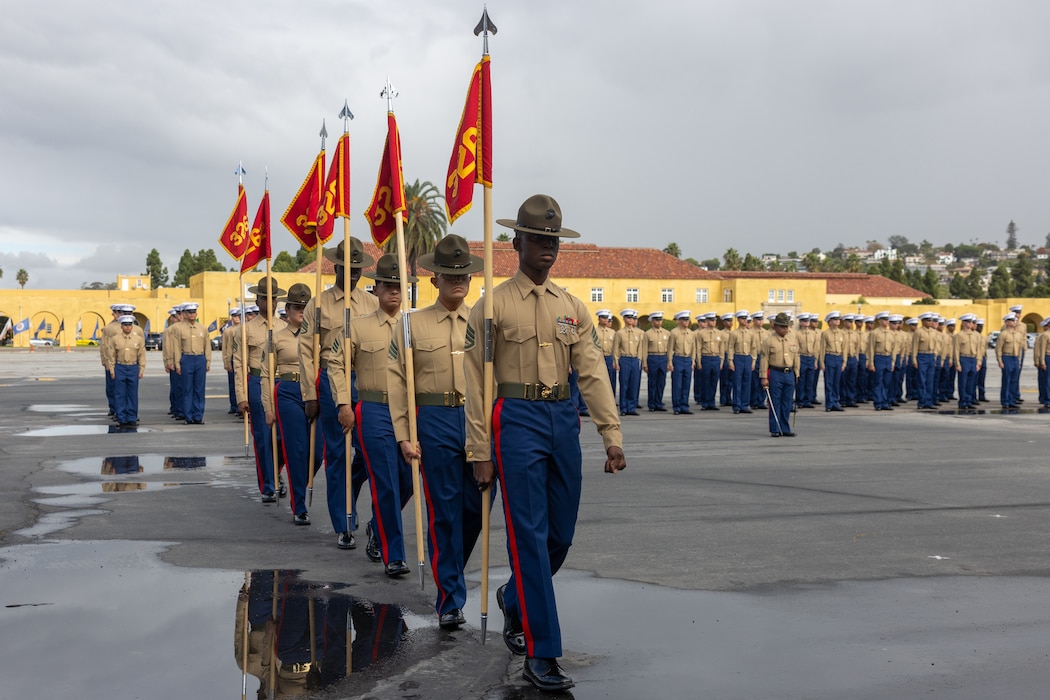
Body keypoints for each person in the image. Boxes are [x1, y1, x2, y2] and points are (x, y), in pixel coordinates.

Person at [466, 194, 625, 692]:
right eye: (538, 239)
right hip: (514, 419)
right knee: (529, 538)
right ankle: (542, 650)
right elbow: (475, 382)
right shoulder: (491, 306)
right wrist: (479, 451)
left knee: (559, 536)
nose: (547, 248)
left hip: (562, 419)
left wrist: (611, 433)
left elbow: (593, 371)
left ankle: (516, 599)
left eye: (554, 240)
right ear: (517, 242)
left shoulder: (572, 308)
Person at [388, 234, 490, 629]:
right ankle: (449, 597)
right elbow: (397, 382)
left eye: (463, 274)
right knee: (444, 511)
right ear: (435, 280)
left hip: (476, 418)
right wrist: (404, 434)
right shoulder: (412, 325)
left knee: (476, 509)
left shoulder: (483, 320)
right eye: (449, 275)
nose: (457, 281)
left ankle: (450, 568)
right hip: (434, 420)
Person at [328, 254, 414, 577]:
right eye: (388, 286)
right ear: (375, 288)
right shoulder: (358, 326)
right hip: (374, 408)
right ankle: (394, 554)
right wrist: (343, 402)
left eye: (399, 286)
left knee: (406, 481)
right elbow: (336, 363)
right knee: (386, 482)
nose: (394, 292)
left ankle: (377, 527)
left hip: (407, 409)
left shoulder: (411, 326)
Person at [299, 238, 378, 550]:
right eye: (348, 267)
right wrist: (310, 394)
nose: (354, 273)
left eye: (358, 268)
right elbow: (306, 351)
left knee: (368, 453)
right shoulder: (317, 305)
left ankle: (354, 493)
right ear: (335, 266)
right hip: (331, 381)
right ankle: (344, 523)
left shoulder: (371, 304)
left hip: (366, 381)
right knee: (338, 455)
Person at [261, 283, 315, 524]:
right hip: (289, 391)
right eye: (296, 307)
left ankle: (301, 479)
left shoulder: (317, 335)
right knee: (297, 449)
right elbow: (265, 373)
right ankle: (300, 505)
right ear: (287, 309)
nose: (301, 311)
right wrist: (268, 408)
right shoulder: (277, 336)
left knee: (318, 452)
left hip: (314, 391)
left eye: (306, 306)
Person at [234, 278, 285, 503]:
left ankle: (277, 472)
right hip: (256, 382)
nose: (270, 302)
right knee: (264, 438)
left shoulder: (285, 326)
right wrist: (241, 396)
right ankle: (267, 485)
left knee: (283, 438)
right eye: (265, 298)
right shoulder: (246, 330)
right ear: (258, 300)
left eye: (273, 298)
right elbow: (238, 364)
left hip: (281, 384)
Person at [759, 313, 799, 437]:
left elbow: (796, 357)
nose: (785, 329)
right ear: (775, 326)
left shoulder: (792, 339)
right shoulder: (768, 341)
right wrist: (764, 377)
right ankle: (775, 428)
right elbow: (764, 359)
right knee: (775, 401)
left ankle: (785, 427)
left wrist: (797, 373)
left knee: (787, 402)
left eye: (786, 327)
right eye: (782, 327)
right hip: (776, 373)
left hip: (789, 373)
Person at [103, 314, 146, 429]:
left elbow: (141, 355)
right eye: (125, 325)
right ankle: (121, 418)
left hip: (133, 367)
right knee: (120, 394)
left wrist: (141, 369)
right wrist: (112, 369)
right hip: (120, 367)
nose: (127, 327)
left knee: (132, 394)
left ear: (132, 326)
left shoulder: (138, 339)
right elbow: (111, 356)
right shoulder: (115, 339)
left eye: (129, 325)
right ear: (121, 326)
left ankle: (132, 418)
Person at [171, 301, 209, 424]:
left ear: (196, 314)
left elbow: (207, 346)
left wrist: (207, 361)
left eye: (193, 312)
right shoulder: (180, 329)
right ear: (185, 314)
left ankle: (198, 416)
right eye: (189, 312)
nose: (192, 314)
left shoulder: (202, 328)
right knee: (187, 389)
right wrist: (177, 364)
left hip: (199, 359)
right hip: (186, 358)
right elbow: (177, 348)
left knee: (199, 389)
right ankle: (188, 416)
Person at [612, 309, 643, 415]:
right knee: (624, 384)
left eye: (632, 318)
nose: (630, 320)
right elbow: (616, 348)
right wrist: (616, 361)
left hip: (634, 359)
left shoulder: (638, 333)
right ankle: (623, 408)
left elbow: (640, 348)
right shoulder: (619, 333)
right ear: (624, 319)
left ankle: (632, 408)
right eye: (628, 318)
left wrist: (639, 359)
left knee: (634, 384)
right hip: (624, 359)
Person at [666, 310, 695, 414]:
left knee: (686, 384)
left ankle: (685, 406)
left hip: (687, 359)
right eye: (684, 320)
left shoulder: (691, 334)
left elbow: (693, 349)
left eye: (688, 320)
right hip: (678, 358)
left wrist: (693, 361)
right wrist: (670, 362)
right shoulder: (674, 333)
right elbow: (670, 349)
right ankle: (677, 407)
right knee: (677, 384)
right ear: (679, 321)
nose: (686, 322)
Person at [867, 311, 896, 411]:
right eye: (884, 319)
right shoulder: (874, 333)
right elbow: (870, 349)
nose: (886, 321)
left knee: (886, 382)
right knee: (878, 382)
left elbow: (893, 349)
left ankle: (885, 402)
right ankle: (878, 402)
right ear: (879, 321)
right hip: (879, 357)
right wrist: (871, 363)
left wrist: (892, 362)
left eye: (887, 319)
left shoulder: (891, 334)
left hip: (888, 358)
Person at [727, 310, 755, 414]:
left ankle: (745, 404)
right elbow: (730, 347)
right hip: (738, 357)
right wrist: (730, 361)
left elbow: (753, 348)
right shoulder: (734, 333)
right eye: (742, 318)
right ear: (738, 320)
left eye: (745, 318)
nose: (744, 320)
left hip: (747, 358)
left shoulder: (750, 334)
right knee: (737, 383)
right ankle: (737, 405)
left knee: (747, 383)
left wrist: (753, 361)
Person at [818, 311, 847, 411]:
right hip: (829, 357)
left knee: (836, 382)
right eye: (835, 319)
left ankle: (835, 402)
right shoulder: (825, 333)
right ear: (829, 322)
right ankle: (829, 404)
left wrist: (844, 362)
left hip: (838, 358)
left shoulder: (842, 333)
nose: (837, 321)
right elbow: (822, 349)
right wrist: (822, 362)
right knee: (829, 382)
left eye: (838, 319)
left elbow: (844, 348)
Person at [996, 312, 1026, 409]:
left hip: (1015, 358)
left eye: (1015, 320)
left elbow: (1020, 348)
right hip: (1007, 357)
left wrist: (1019, 360)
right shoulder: (1003, 334)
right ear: (1007, 322)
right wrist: (1000, 361)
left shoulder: (1018, 335)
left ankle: (1012, 400)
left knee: (1014, 380)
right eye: (1012, 320)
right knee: (1007, 380)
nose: (1014, 322)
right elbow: (998, 349)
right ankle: (1005, 401)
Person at [910, 313, 939, 410]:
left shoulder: (934, 332)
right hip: (922, 356)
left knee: (930, 381)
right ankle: (921, 401)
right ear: (923, 321)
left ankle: (928, 401)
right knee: (922, 380)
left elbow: (936, 345)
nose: (930, 322)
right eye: (928, 320)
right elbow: (914, 346)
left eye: (931, 320)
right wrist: (914, 359)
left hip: (931, 356)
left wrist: (934, 355)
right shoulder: (918, 332)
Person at [952, 313, 982, 411]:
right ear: (963, 323)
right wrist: (957, 363)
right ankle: (963, 402)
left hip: (973, 359)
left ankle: (969, 401)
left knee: (971, 383)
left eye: (971, 322)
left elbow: (978, 350)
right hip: (963, 358)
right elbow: (956, 350)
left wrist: (978, 362)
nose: (970, 324)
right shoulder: (959, 335)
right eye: (968, 322)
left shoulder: (975, 335)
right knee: (963, 382)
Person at [643, 311, 669, 412]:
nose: (659, 322)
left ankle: (659, 403)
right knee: (652, 382)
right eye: (656, 320)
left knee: (661, 382)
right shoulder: (648, 334)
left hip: (663, 358)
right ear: (652, 322)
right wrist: (644, 363)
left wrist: (669, 362)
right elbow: (644, 349)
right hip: (652, 358)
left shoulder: (667, 333)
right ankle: (652, 403)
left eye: (660, 320)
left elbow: (669, 349)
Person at [162, 306, 183, 419]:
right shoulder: (171, 330)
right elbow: (168, 347)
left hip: (185, 360)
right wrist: (168, 361)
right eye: (178, 315)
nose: (181, 317)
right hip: (175, 361)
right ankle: (177, 408)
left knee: (185, 387)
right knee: (177, 387)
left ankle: (182, 409)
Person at [222, 307, 243, 415]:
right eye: (235, 316)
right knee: (233, 384)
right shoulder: (228, 331)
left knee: (242, 383)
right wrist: (226, 361)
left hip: (242, 358)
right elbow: (225, 347)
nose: (237, 318)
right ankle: (234, 405)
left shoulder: (244, 328)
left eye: (239, 316)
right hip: (232, 358)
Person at [595, 309, 617, 394]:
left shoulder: (613, 332)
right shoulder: (594, 331)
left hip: (609, 357)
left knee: (610, 380)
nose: (605, 320)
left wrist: (615, 360)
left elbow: (615, 348)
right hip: (599, 358)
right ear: (599, 319)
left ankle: (611, 399)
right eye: (603, 318)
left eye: (606, 318)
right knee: (599, 380)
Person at [1035, 317, 1050, 408]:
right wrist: (1042, 362)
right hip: (1048, 357)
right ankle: (1047, 399)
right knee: (1047, 380)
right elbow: (1042, 349)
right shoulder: (1045, 335)